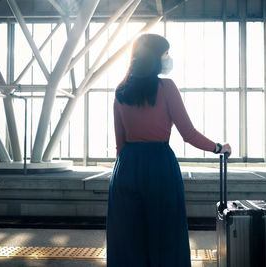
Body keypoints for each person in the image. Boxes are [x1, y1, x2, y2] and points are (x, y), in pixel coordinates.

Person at [107, 33, 231, 267]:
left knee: (127, 237)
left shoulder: (120, 91)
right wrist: (218, 147)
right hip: (160, 166)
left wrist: (124, 170)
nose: (168, 58)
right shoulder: (166, 87)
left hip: (126, 166)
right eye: (165, 53)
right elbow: (188, 133)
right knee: (165, 235)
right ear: (155, 57)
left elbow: (120, 144)